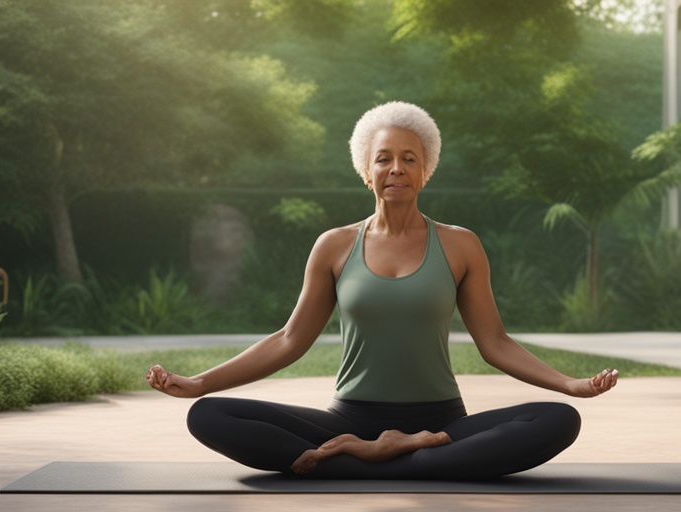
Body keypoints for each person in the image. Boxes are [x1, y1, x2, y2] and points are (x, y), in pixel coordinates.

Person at [146, 101, 618, 480]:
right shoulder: (334, 246)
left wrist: (568, 384)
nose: (396, 168)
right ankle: (404, 460)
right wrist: (202, 382)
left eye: (409, 159)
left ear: (425, 170)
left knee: (558, 419)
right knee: (208, 416)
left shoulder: (460, 245)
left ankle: (368, 460)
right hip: (348, 420)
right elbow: (291, 339)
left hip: (441, 425)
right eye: (384, 159)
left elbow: (495, 343)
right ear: (365, 171)